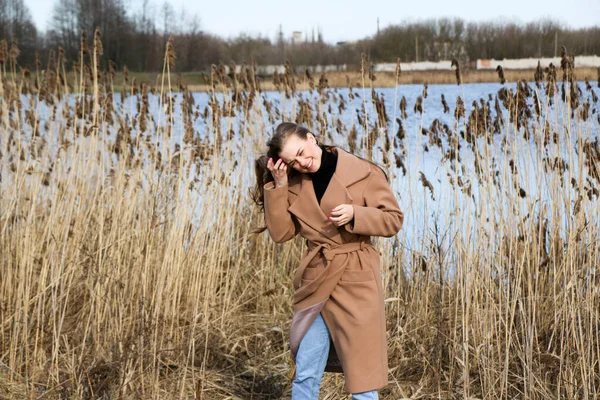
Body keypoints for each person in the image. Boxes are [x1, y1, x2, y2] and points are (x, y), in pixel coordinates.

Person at [253, 122, 404, 399]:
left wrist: (356, 215)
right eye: (292, 161)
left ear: (312, 138)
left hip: (356, 279)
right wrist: (280, 185)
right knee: (306, 372)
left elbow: (393, 220)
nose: (301, 162)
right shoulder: (294, 183)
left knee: (363, 379)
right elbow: (282, 233)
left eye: (301, 151)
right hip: (318, 281)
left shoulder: (362, 173)